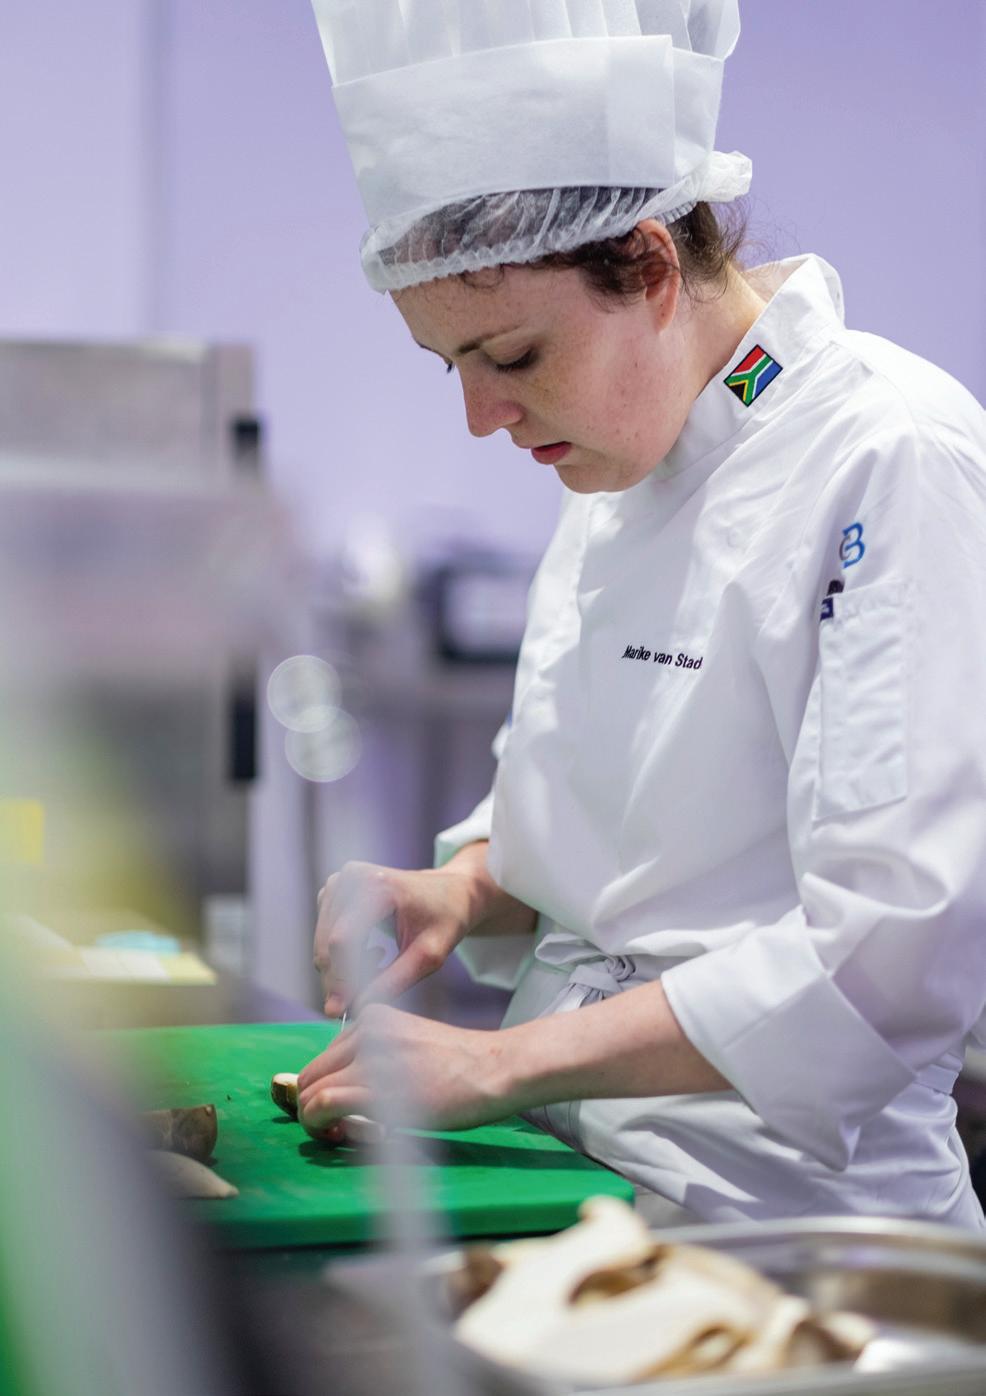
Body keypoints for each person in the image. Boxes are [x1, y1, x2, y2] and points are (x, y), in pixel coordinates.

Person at [297, 0, 986, 1228]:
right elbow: (621, 819)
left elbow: (889, 954)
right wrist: (465, 889)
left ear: (652, 268)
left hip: (787, 1225)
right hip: (578, 1182)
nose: (480, 417)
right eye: (450, 364)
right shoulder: (623, 454)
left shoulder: (890, 454)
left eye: (510, 357)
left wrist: (496, 1063)